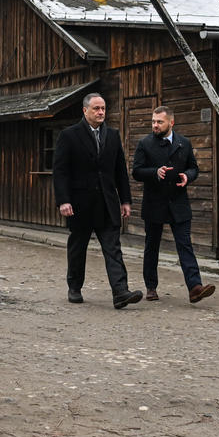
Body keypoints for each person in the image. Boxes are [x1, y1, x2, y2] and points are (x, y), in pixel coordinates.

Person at [52, 92, 143, 309]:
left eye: (103, 108)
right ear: (85, 111)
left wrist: (126, 200)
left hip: (107, 203)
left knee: (113, 248)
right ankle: (74, 287)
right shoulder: (69, 135)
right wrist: (63, 200)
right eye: (96, 109)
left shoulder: (112, 135)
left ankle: (120, 292)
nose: (101, 112)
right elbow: (61, 171)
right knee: (78, 248)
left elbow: (120, 170)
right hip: (79, 204)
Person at [132, 106, 216, 304]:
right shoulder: (145, 143)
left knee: (185, 245)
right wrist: (155, 172)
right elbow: (136, 171)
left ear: (171, 122)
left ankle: (195, 288)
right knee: (151, 246)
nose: (155, 125)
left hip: (178, 203)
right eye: (153, 121)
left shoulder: (184, 143)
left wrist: (188, 176)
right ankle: (151, 287)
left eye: (159, 122)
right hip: (154, 203)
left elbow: (194, 168)